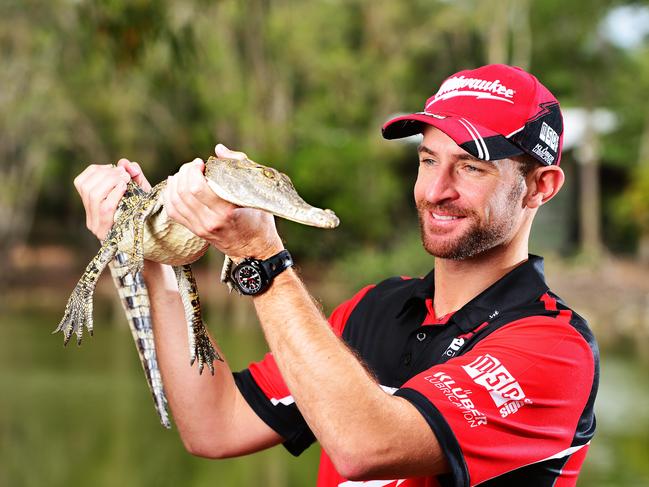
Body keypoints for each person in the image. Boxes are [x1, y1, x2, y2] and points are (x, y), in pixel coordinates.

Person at [73, 64, 599, 486]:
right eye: (427, 159)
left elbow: (365, 445)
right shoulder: (372, 309)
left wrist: (261, 256)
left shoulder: (555, 348)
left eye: (471, 167)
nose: (435, 190)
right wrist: (155, 262)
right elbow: (214, 425)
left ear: (540, 187)